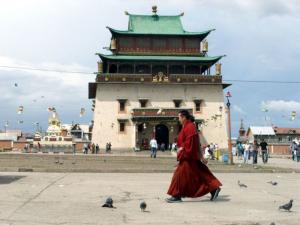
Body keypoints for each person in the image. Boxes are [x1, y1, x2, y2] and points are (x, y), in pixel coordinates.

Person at [166, 110, 222, 203]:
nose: (178, 119)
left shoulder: (190, 127)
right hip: (188, 157)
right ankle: (214, 189)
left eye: (179, 117)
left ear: (184, 117)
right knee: (199, 175)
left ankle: (177, 195)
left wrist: (183, 153)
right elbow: (194, 144)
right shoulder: (186, 127)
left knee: (179, 176)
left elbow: (192, 144)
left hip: (188, 157)